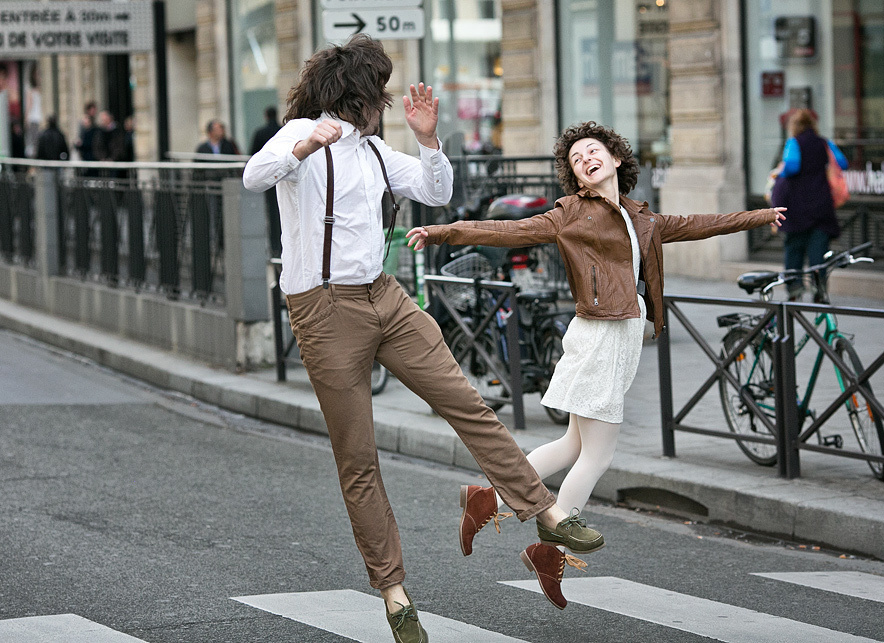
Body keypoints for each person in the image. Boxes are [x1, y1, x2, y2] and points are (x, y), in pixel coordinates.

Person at [243, 35, 604, 642]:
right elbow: (254, 175)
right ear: (358, 96)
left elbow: (437, 192)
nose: (384, 105)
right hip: (324, 310)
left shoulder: (375, 151)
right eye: (379, 95)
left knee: (465, 401)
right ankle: (394, 594)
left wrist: (429, 141)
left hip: (383, 296)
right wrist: (304, 146)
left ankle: (544, 511)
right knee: (358, 458)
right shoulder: (302, 134)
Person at [407, 121, 786, 609]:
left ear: (615, 158)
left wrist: (760, 216)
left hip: (621, 337)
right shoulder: (571, 213)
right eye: (576, 158)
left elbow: (699, 224)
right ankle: (550, 545)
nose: (586, 159)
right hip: (601, 334)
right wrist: (442, 232)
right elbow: (508, 231)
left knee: (573, 445)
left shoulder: (640, 217)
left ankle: (490, 502)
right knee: (598, 455)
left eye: (593, 151)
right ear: (575, 176)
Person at [770, 108, 848, 301]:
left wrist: (780, 171)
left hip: (796, 206)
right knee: (818, 253)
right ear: (813, 125)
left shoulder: (794, 142)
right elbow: (842, 163)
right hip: (821, 204)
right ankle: (819, 290)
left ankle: (795, 289)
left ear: (794, 126)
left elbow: (792, 166)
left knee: (794, 250)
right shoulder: (824, 143)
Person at [250, 106, 283, 256]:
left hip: (269, 179)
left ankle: (275, 246)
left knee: (272, 213)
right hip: (283, 177)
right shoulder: (282, 131)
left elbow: (253, 155)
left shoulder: (261, 133)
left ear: (266, 116)